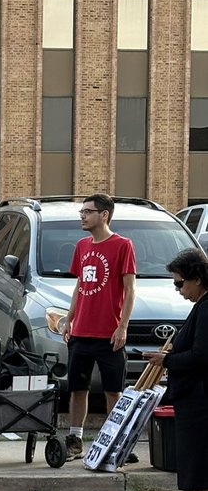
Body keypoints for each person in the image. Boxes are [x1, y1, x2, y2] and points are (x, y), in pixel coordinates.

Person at [63, 194, 137, 461]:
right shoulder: (82, 246)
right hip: (81, 332)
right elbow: (80, 285)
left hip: (109, 334)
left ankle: (114, 442)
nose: (82, 216)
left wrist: (122, 326)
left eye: (87, 211)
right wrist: (69, 318)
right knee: (77, 388)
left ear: (104, 215)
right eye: (81, 212)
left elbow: (130, 290)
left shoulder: (122, 245)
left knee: (113, 390)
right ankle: (75, 440)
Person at [143, 247, 208, 491]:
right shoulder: (202, 305)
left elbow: (200, 356)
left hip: (200, 397)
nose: (178, 289)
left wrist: (166, 360)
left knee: (199, 459)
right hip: (195, 395)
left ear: (197, 278)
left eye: (180, 283)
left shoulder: (207, 308)